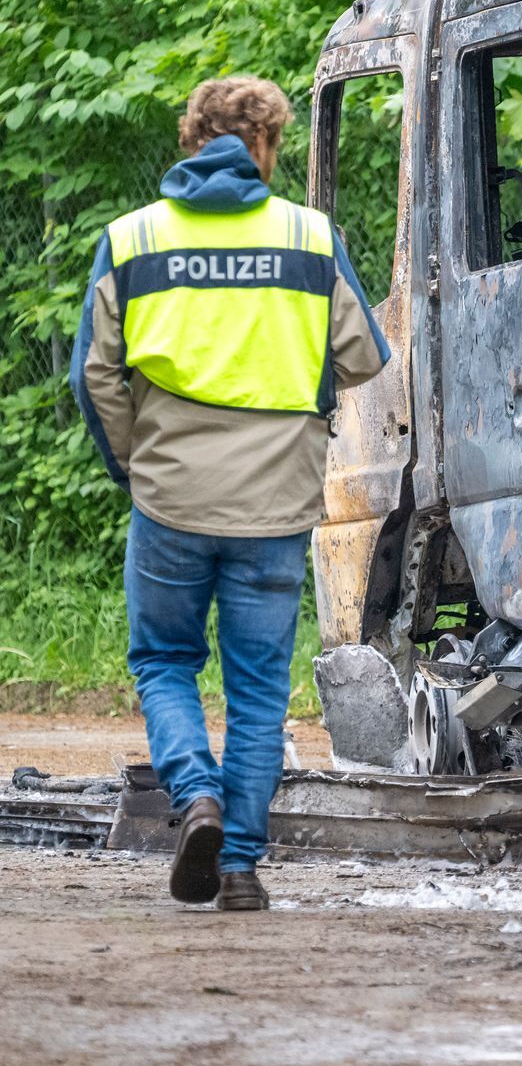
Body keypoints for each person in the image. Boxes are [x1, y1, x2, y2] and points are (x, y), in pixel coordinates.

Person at [70, 77, 389, 911]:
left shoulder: (133, 238)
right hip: (276, 504)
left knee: (164, 660)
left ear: (192, 137)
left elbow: (93, 374)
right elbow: (364, 355)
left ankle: (195, 795)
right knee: (256, 688)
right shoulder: (309, 237)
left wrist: (136, 461)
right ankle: (241, 866)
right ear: (266, 145)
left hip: (170, 494)